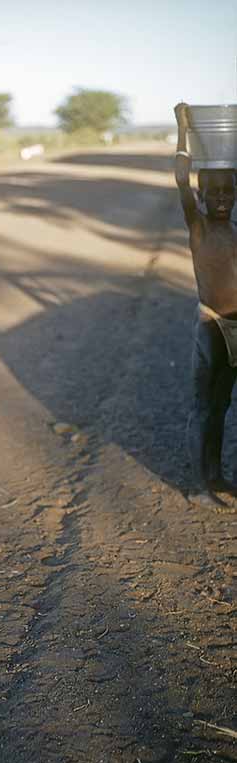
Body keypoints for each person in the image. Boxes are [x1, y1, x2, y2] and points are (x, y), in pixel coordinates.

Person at [175, 102, 237, 510]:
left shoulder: (233, 229)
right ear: (200, 195)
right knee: (208, 408)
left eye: (227, 191)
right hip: (213, 330)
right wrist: (182, 129)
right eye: (212, 192)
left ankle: (218, 477)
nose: (220, 198)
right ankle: (203, 483)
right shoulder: (198, 227)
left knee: (225, 405)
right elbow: (181, 178)